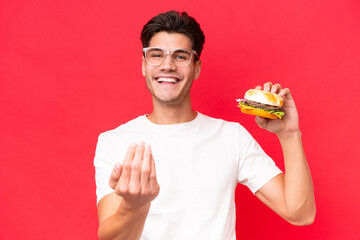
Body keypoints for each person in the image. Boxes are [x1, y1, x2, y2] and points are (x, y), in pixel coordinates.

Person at [94, 10, 316, 240]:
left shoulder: (232, 137)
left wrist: (290, 135)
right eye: (156, 55)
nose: (167, 65)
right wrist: (136, 206)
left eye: (180, 56)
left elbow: (301, 213)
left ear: (196, 67)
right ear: (144, 65)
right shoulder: (114, 142)